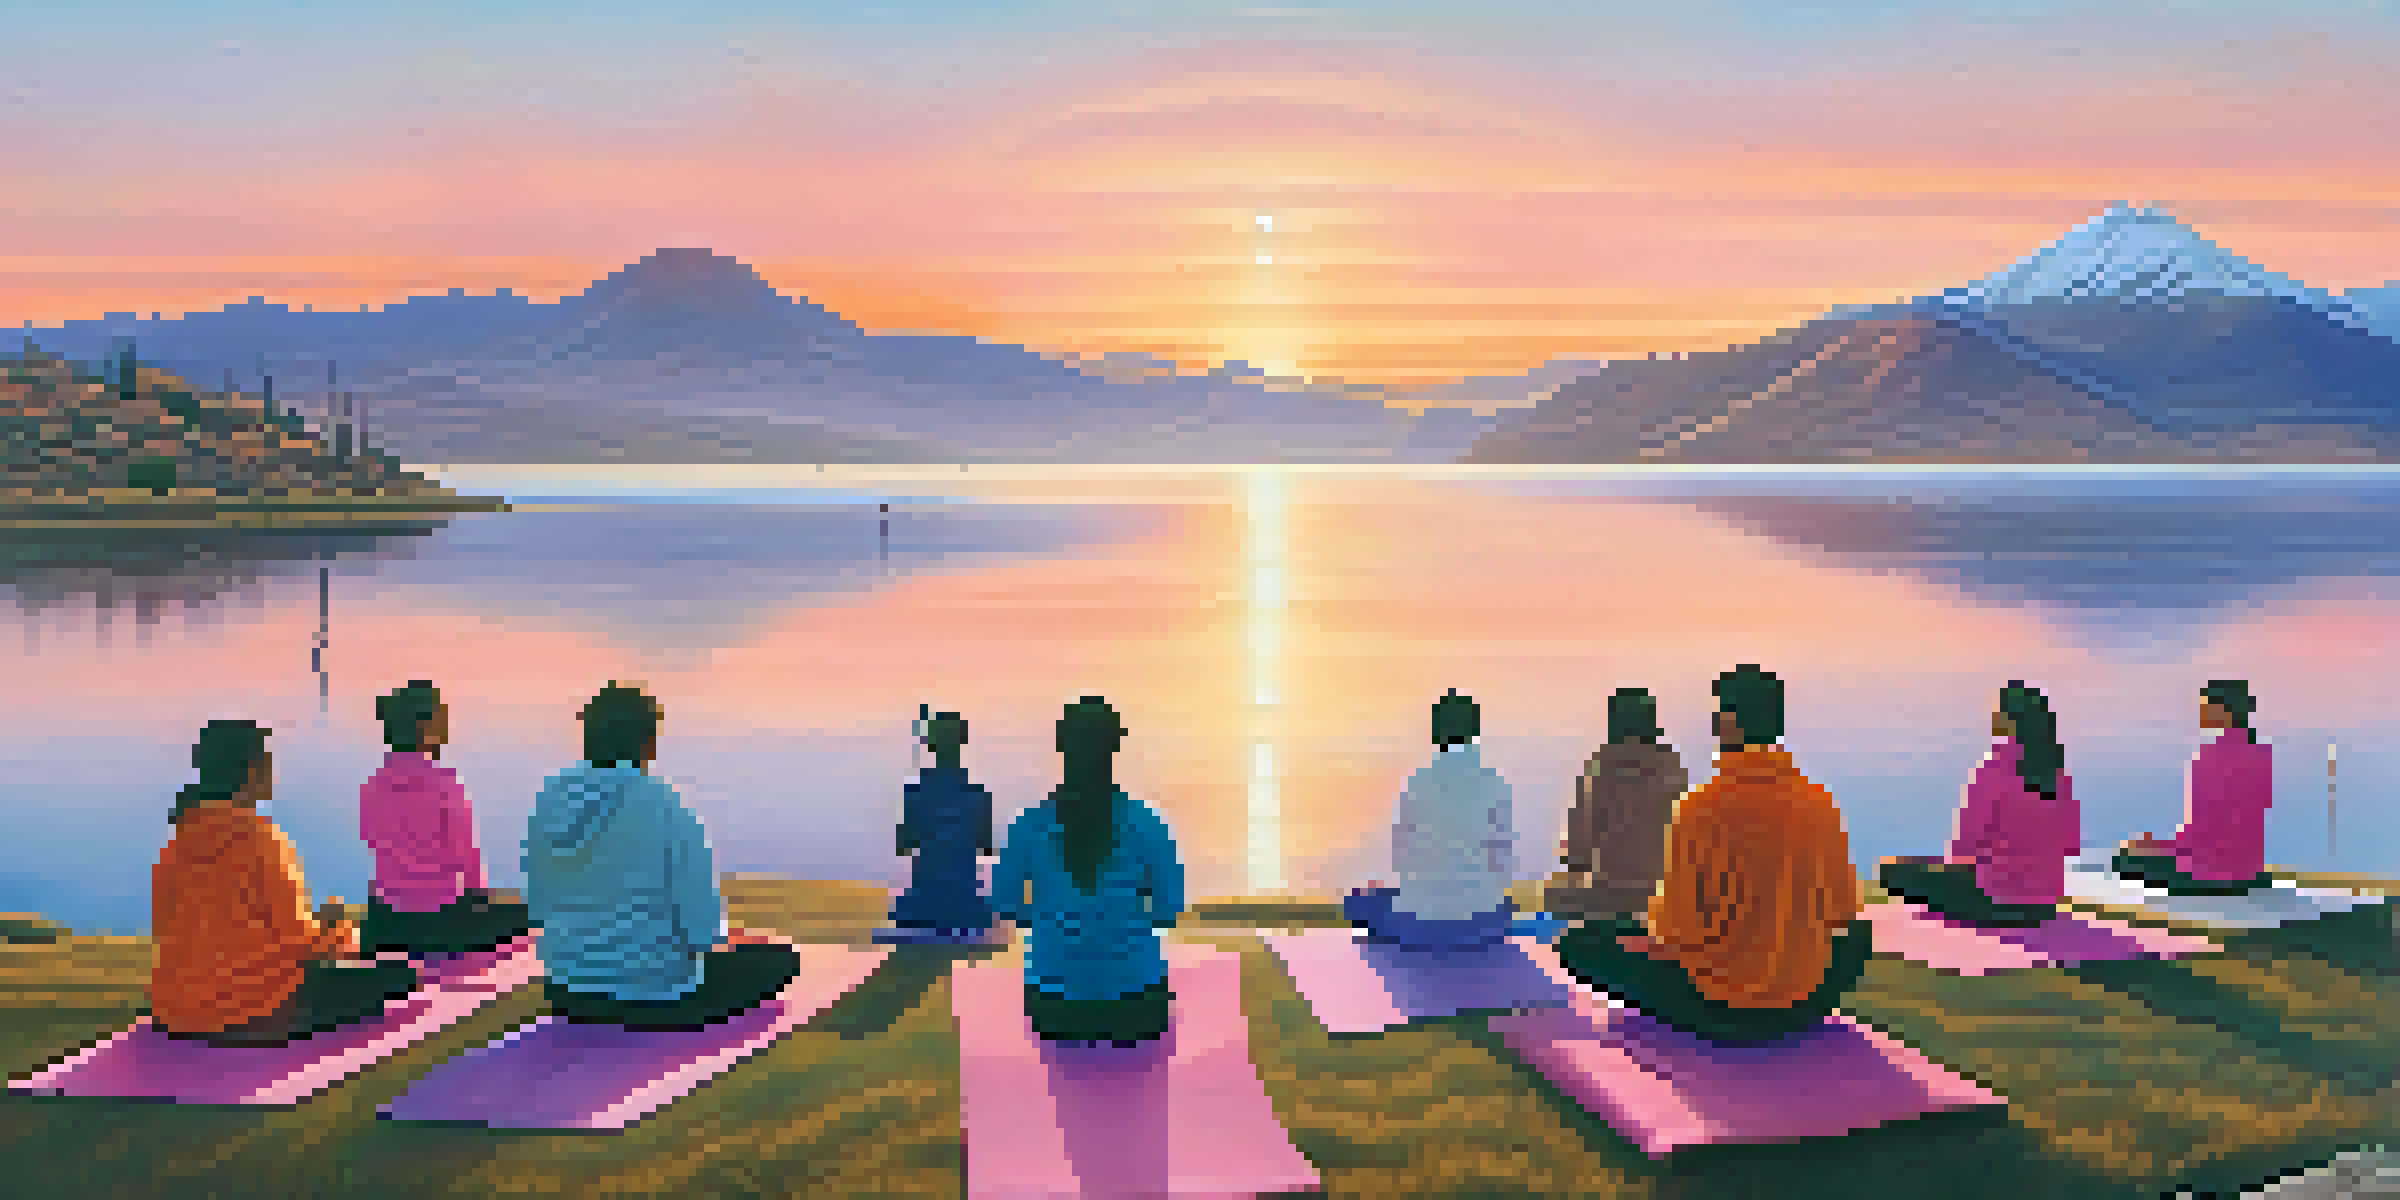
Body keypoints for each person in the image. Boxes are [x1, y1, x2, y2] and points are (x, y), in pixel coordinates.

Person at [1553, 666, 1873, 1045]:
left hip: (1721, 1006)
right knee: (1859, 937)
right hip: (1805, 999)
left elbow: (1676, 933)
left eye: (1718, 713)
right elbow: (1842, 913)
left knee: (1582, 945)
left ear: (1730, 723)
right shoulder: (1819, 803)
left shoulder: (1700, 809)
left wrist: (1639, 941)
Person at [523, 683, 799, 1032]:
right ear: (647, 742)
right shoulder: (665, 804)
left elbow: (538, 904)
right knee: (781, 959)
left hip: (566, 990)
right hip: (654, 994)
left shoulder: (548, 799)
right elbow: (702, 932)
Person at [152, 719, 420, 1046]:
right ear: (251, 772)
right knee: (400, 974)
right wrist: (339, 930)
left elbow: (169, 925)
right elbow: (303, 944)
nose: (273, 773)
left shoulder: (178, 841)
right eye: (267, 762)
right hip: (249, 1010)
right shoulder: (259, 838)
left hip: (176, 1009)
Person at [993, 696, 1185, 1046]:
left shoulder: (1029, 824)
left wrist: (1051, 921)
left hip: (1055, 1007)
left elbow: (1006, 905)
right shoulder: (1148, 822)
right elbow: (1168, 911)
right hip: (1135, 1005)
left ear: (1061, 747)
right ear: (1114, 748)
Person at [1878, 682, 2082, 927]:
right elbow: (2072, 843)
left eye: (1998, 711)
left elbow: (1964, 847)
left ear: (2009, 719)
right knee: (1927, 869)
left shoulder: (1995, 766)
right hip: (2044, 906)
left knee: (1893, 871)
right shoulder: (2060, 777)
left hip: (1993, 902)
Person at [357, 681, 535, 956]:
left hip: (386, 921)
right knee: (532, 914)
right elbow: (469, 863)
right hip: (441, 921)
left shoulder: (372, 786)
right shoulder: (445, 783)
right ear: (426, 727)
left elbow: (372, 841)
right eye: (442, 718)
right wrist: (481, 904)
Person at [1344, 689, 1519, 950]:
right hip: (1481, 925)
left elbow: (1401, 858)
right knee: (1503, 905)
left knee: (1360, 900)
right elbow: (1503, 863)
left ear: (1436, 733)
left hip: (1420, 925)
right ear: (1474, 732)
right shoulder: (1496, 783)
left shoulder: (1418, 782)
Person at [2113, 680, 2275, 895]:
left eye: (2205, 706)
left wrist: (2157, 847)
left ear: (2222, 710)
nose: (2201, 712)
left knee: (2124, 859)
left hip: (2211, 871)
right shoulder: (2262, 754)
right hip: (2249, 869)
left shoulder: (2209, 756)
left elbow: (2200, 832)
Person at [1548, 688, 1687, 921]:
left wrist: (1576, 869)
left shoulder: (1602, 766)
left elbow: (1579, 839)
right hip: (1660, 890)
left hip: (1611, 891)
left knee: (1556, 901)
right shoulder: (1671, 767)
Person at [888, 708, 996, 934]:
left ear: (932, 745)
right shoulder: (977, 794)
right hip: (965, 904)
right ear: (961, 743)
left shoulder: (917, 793)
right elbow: (985, 846)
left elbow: (903, 845)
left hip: (925, 903)